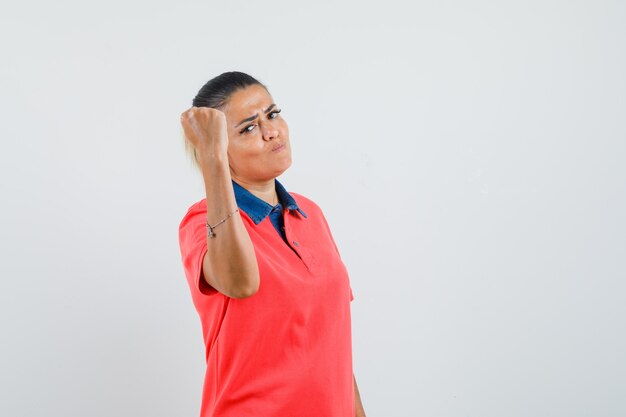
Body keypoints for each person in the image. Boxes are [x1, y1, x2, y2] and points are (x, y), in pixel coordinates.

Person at [178, 71, 366, 417]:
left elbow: (333, 347)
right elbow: (240, 282)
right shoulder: (201, 222)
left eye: (273, 114)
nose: (271, 132)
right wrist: (212, 161)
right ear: (217, 148)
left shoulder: (311, 214)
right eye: (248, 128)